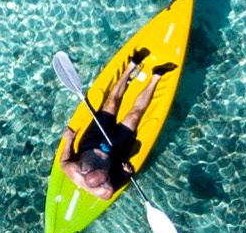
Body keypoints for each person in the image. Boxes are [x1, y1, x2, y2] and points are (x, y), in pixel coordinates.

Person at [61, 53, 174, 197]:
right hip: (115, 153)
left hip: (92, 142)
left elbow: (63, 161)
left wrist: (69, 140)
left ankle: (130, 67)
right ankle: (156, 76)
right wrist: (124, 172)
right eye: (107, 177)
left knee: (112, 103)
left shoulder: (72, 170)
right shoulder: (105, 190)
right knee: (134, 115)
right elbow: (119, 180)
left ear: (86, 171)